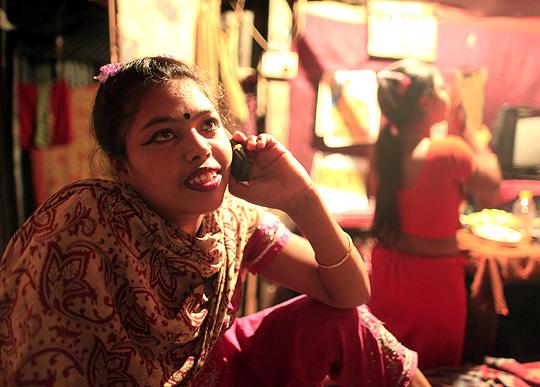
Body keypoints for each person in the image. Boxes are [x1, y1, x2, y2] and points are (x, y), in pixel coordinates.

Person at [0, 56, 431, 386]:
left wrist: (302, 200)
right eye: (163, 134)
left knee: (348, 324)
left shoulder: (229, 219)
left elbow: (350, 293)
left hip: (217, 374)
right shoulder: (86, 220)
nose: (198, 147)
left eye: (208, 125)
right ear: (121, 166)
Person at [367, 59, 502, 371]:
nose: (447, 94)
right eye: (442, 88)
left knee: (388, 368)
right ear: (427, 102)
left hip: (387, 273)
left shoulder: (383, 148)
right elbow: (492, 185)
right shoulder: (448, 150)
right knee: (435, 371)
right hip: (433, 285)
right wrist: (468, 129)